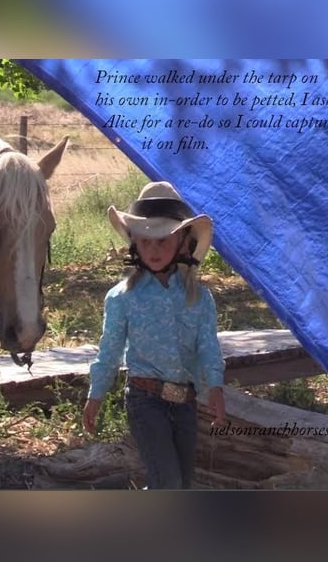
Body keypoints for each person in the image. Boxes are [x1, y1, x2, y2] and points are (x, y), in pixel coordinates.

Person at [82, 181, 226, 489]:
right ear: (134, 243)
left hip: (185, 401)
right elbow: (109, 351)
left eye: (163, 240)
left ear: (182, 243)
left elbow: (208, 347)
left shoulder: (199, 298)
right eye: (146, 241)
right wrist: (96, 394)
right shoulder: (122, 298)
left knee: (183, 483)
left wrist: (214, 386)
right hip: (145, 401)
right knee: (168, 481)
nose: (154, 249)